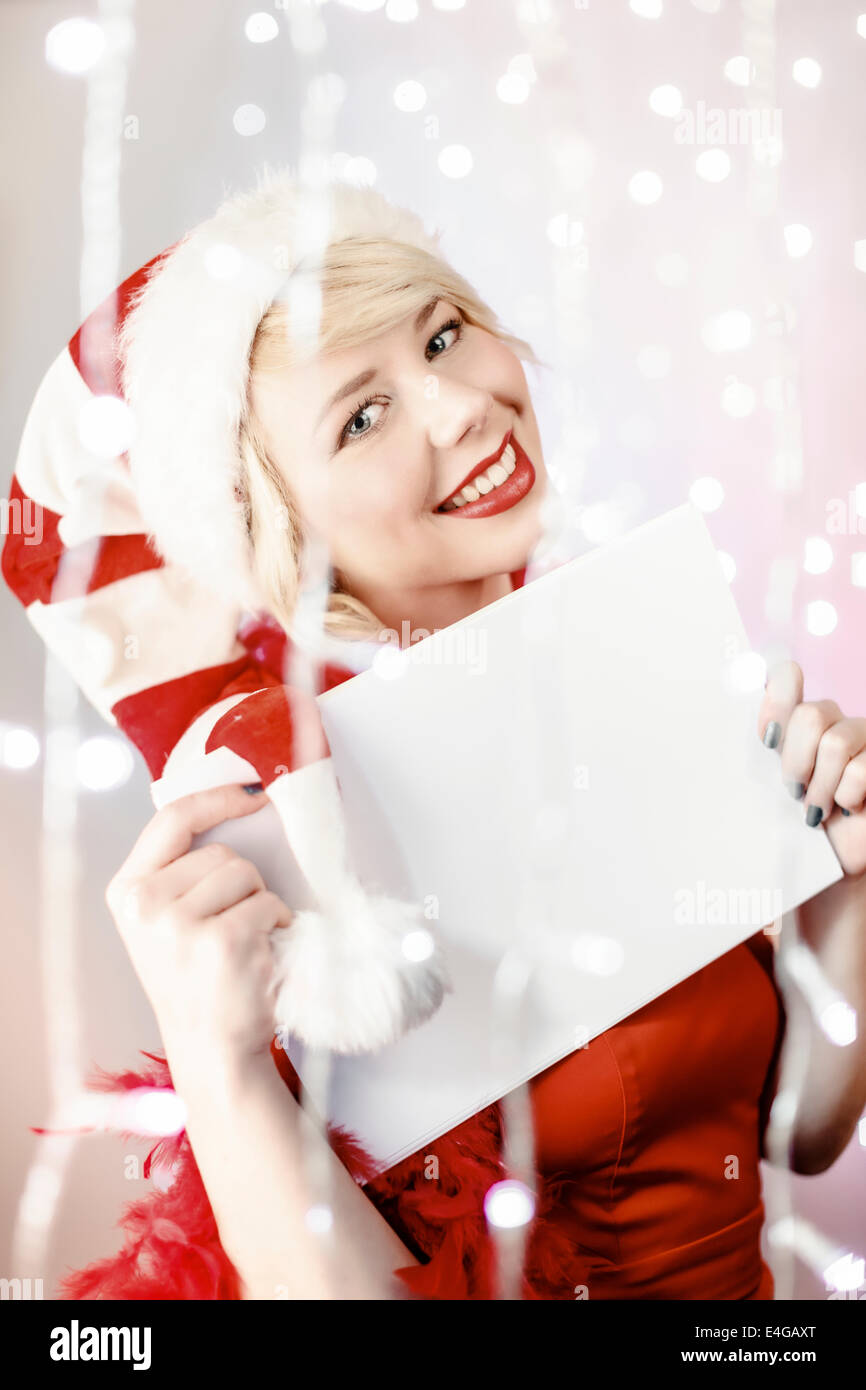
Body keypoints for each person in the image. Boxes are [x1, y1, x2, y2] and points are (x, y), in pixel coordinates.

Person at [5, 168, 866, 1301]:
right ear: (277, 531)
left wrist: (848, 874)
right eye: (362, 415)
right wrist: (218, 1058)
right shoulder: (287, 827)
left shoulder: (633, 662)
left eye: (444, 334)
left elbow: (789, 1127)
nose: (462, 406)